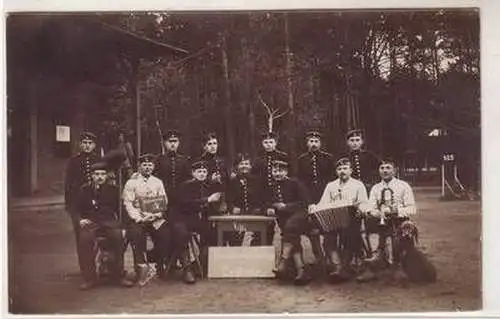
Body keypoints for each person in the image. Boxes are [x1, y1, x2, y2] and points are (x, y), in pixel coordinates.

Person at [356, 158, 417, 283]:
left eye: (388, 168)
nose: (385, 171)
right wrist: (375, 212)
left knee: (405, 228)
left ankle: (398, 265)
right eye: (382, 168)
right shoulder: (376, 188)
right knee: (368, 222)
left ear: (395, 170)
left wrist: (396, 211)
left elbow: (412, 208)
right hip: (381, 220)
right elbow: (370, 207)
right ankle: (374, 259)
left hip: (399, 220)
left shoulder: (403, 186)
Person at [75, 161, 134, 290]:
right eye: (97, 174)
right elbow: (77, 209)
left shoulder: (114, 190)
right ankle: (90, 278)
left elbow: (121, 210)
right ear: (92, 176)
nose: (100, 177)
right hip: (91, 222)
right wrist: (80, 219)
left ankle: (118, 275)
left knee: (118, 237)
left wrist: (123, 226)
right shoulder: (85, 189)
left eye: (102, 174)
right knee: (85, 240)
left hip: (109, 222)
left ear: (106, 176)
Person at [309, 157, 369, 282]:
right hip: (333, 219)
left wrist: (360, 209)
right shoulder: (331, 185)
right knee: (328, 235)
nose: (342, 171)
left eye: (345, 168)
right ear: (336, 172)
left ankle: (345, 265)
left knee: (350, 234)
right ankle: (337, 265)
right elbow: (323, 203)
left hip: (352, 218)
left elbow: (364, 202)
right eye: (340, 169)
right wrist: (315, 207)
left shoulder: (358, 185)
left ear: (351, 170)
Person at [122, 154, 171, 286]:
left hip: (154, 217)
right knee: (136, 234)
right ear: (139, 166)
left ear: (154, 166)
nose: (147, 167)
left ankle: (158, 263)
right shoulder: (131, 183)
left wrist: (156, 215)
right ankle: (141, 265)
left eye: (150, 165)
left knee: (166, 233)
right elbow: (128, 203)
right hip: (139, 218)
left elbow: (163, 201)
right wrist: (138, 218)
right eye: (144, 165)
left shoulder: (158, 182)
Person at [174, 160, 223, 283]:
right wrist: (207, 199)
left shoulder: (208, 186)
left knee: (212, 232)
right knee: (182, 234)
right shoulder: (186, 185)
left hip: (198, 220)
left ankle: (200, 264)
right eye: (199, 171)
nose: (202, 174)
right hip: (182, 219)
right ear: (193, 173)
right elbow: (185, 203)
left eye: (204, 171)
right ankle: (187, 269)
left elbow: (214, 204)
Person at [266, 160, 311, 285]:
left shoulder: (295, 183)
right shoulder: (271, 187)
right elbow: (267, 202)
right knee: (290, 233)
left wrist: (286, 206)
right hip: (285, 219)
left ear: (286, 172)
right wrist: (271, 207)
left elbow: (305, 202)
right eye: (275, 171)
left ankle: (284, 261)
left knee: (290, 227)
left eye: (280, 171)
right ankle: (301, 269)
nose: (278, 174)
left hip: (301, 215)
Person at [64, 131, 100, 272]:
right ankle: (86, 269)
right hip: (78, 204)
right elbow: (68, 184)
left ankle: (99, 265)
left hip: (96, 202)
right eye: (84, 143)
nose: (87, 146)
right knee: (81, 237)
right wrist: (69, 205)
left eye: (90, 143)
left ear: (94, 145)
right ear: (80, 144)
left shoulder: (99, 160)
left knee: (98, 235)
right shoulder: (74, 161)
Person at [225, 153, 265, 245]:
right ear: (237, 166)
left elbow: (263, 198)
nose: (244, 166)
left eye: (247, 164)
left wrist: (258, 209)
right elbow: (229, 199)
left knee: (260, 237)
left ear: (251, 166)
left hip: (255, 214)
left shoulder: (257, 181)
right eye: (241, 164)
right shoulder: (232, 182)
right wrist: (232, 208)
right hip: (238, 215)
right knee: (234, 236)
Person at [297, 129, 335, 203]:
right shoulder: (302, 159)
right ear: (307, 143)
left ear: (320, 143)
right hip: (308, 192)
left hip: (325, 190)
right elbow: (300, 179)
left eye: (316, 141)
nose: (314, 144)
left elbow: (332, 176)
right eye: (311, 141)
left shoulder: (328, 158)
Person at [154, 130, 191, 199]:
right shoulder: (159, 159)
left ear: (179, 143)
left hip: (180, 196)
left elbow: (188, 178)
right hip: (163, 195)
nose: (173, 144)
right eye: (170, 141)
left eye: (175, 141)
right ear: (165, 143)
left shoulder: (184, 160)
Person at [253, 131, 289, 196]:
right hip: (264, 189)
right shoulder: (259, 158)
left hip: (280, 188)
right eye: (265, 142)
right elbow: (255, 174)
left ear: (276, 143)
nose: (268, 145)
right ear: (262, 143)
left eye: (271, 142)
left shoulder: (283, 156)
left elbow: (289, 173)